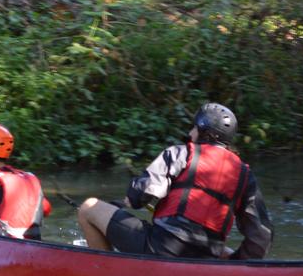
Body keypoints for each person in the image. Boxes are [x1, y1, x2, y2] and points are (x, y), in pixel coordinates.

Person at [77, 103, 272, 259]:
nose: (190, 132)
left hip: (162, 248)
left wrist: (132, 197)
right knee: (225, 252)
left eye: (194, 127)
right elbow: (261, 236)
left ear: (203, 131)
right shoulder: (245, 175)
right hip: (207, 258)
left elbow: (143, 194)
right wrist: (238, 261)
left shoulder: (181, 153)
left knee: (88, 208)